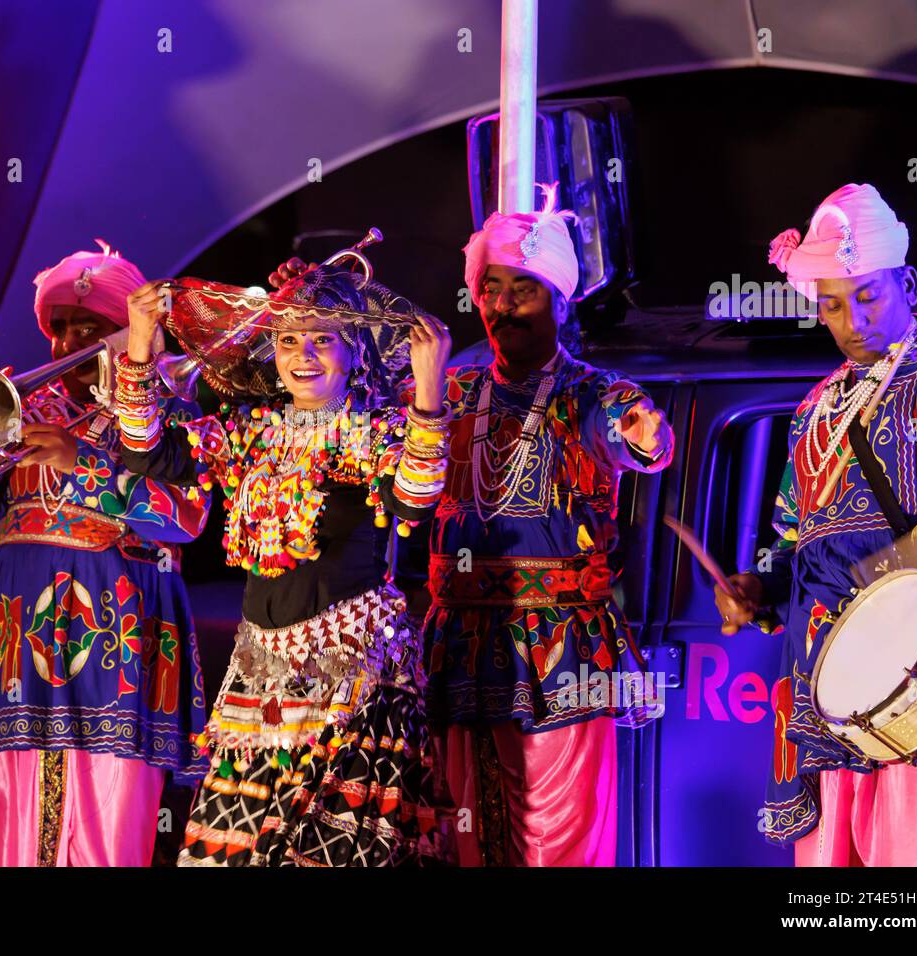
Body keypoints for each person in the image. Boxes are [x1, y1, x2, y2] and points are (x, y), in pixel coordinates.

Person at [273, 186, 673, 866]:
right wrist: (314, 300)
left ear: (560, 299)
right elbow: (343, 388)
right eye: (491, 289)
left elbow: (637, 438)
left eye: (524, 290)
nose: (503, 306)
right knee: (465, 836)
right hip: (458, 640)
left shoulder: (595, 391)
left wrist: (641, 434)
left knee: (559, 838)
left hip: (562, 648)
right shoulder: (447, 390)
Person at [117, 262, 452, 865]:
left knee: (328, 850)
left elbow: (416, 499)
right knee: (239, 851)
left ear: (354, 350)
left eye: (323, 338)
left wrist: (430, 391)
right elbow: (145, 452)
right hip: (258, 675)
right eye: (289, 339)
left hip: (351, 674)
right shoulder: (248, 431)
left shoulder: (372, 430)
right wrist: (141, 338)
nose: (304, 354)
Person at [0, 242, 209, 866]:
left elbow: (186, 518)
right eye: (59, 331)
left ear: (126, 332)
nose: (65, 347)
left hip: (120, 635)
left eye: (88, 331)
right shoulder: (27, 408)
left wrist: (79, 464)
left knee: (107, 815)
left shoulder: (177, 409)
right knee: (0, 805)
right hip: (15, 639)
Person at [716, 183, 917, 866]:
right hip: (827, 690)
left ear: (908, 283)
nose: (852, 319)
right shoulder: (813, 409)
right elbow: (791, 538)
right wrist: (758, 588)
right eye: (832, 303)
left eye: (868, 295)